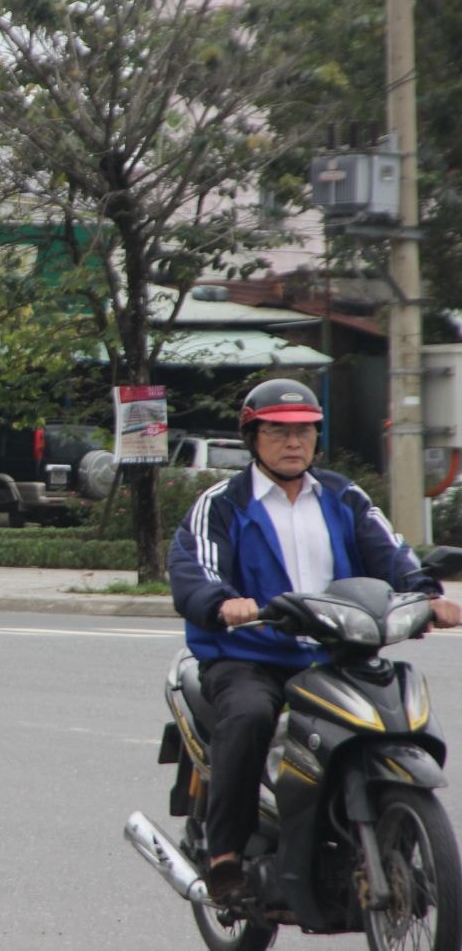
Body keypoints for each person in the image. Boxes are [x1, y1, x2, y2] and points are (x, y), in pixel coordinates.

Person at [168, 378, 462, 900]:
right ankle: (226, 852)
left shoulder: (343, 496)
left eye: (304, 431)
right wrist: (222, 603)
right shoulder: (222, 504)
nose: (293, 442)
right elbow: (198, 571)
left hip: (335, 652)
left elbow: (390, 554)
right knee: (251, 715)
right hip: (249, 655)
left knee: (388, 712)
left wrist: (425, 595)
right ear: (253, 437)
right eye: (279, 431)